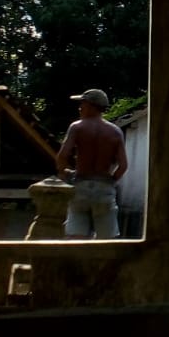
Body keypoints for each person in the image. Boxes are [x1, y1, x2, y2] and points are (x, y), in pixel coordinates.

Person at [56, 88, 128, 239]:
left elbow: (62, 156)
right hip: (104, 190)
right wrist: (111, 181)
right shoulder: (115, 132)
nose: (80, 107)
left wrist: (66, 175)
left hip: (80, 186)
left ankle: (78, 261)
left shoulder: (77, 127)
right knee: (106, 241)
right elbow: (123, 165)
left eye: (82, 104)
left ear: (91, 106)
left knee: (76, 238)